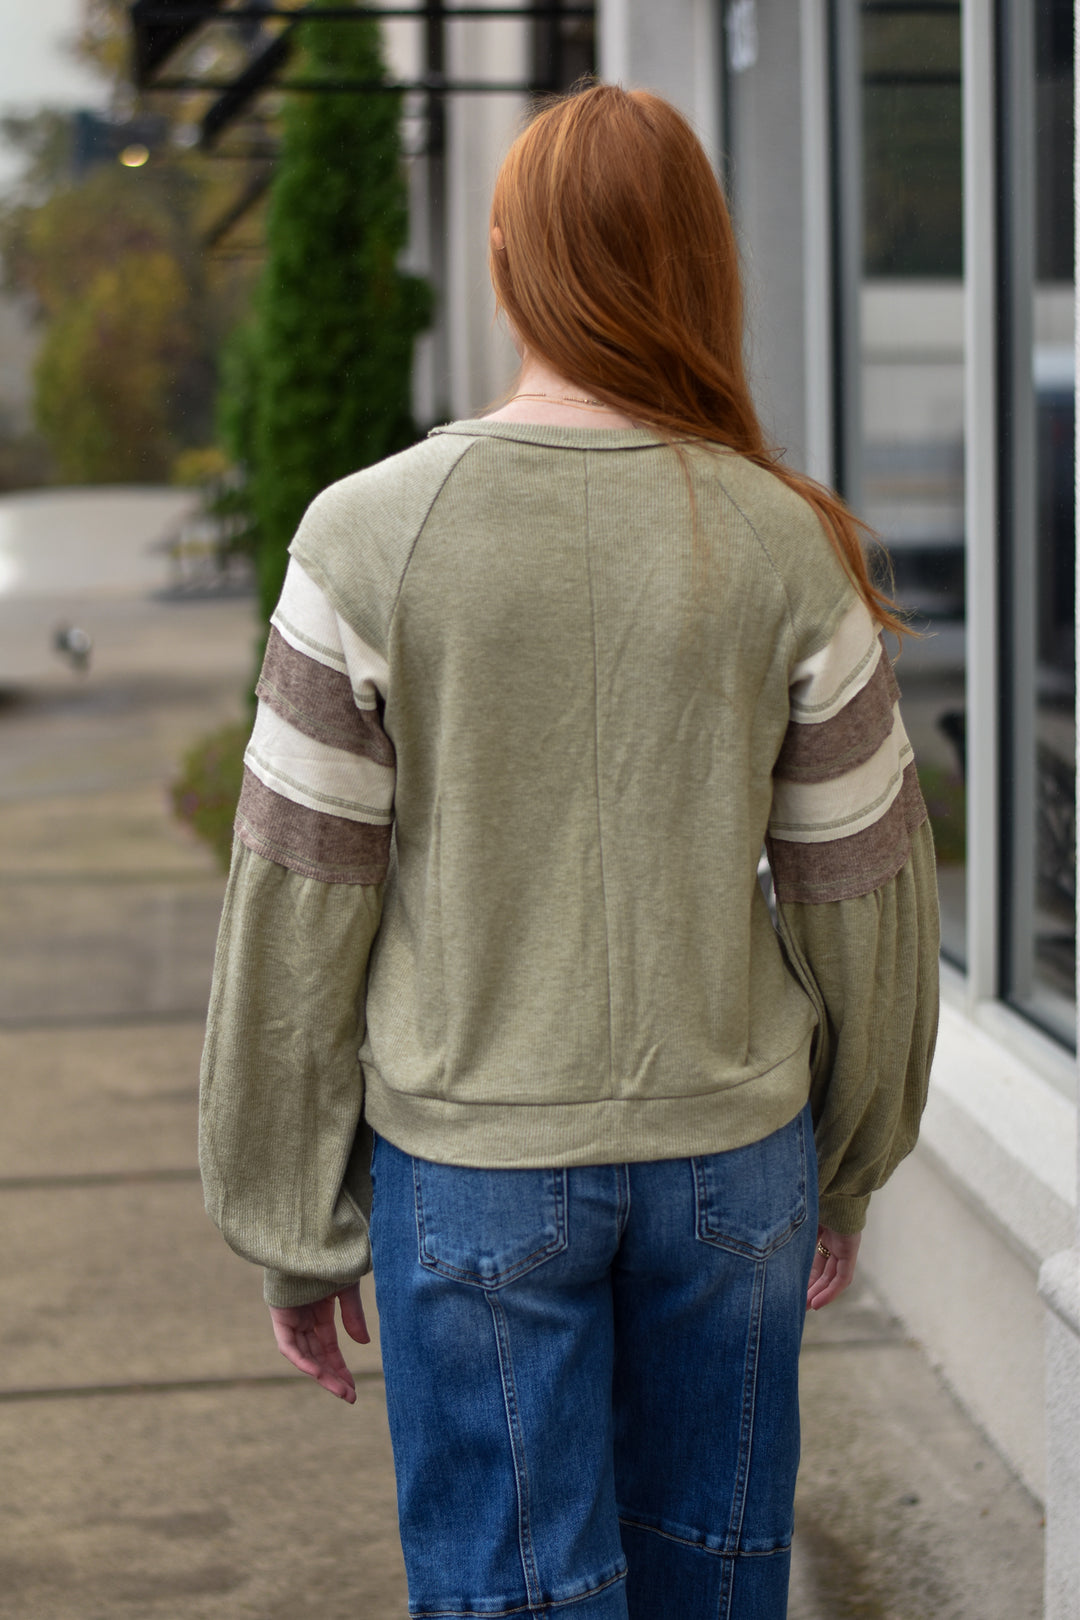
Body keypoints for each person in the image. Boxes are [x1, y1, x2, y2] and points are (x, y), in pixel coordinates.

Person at [200, 82, 939, 1620]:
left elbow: (294, 907)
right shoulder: (786, 541)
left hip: (472, 1167)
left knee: (508, 1599)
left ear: (504, 258)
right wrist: (851, 1161)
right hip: (735, 1165)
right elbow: (866, 895)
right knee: (718, 1585)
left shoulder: (365, 535)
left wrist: (287, 1219)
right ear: (701, 265)